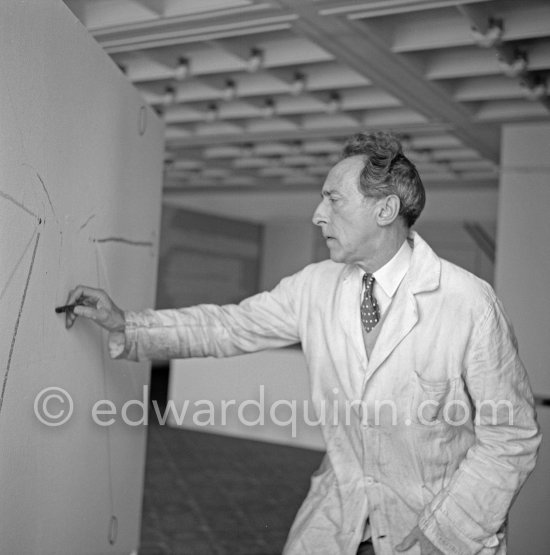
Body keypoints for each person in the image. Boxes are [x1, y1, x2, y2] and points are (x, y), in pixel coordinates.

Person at [66, 131, 540, 555]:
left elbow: (511, 438)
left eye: (334, 199)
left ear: (385, 209)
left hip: (438, 526)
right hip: (343, 512)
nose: (318, 215)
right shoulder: (316, 285)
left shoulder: (468, 303)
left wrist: (447, 535)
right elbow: (227, 326)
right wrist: (127, 323)